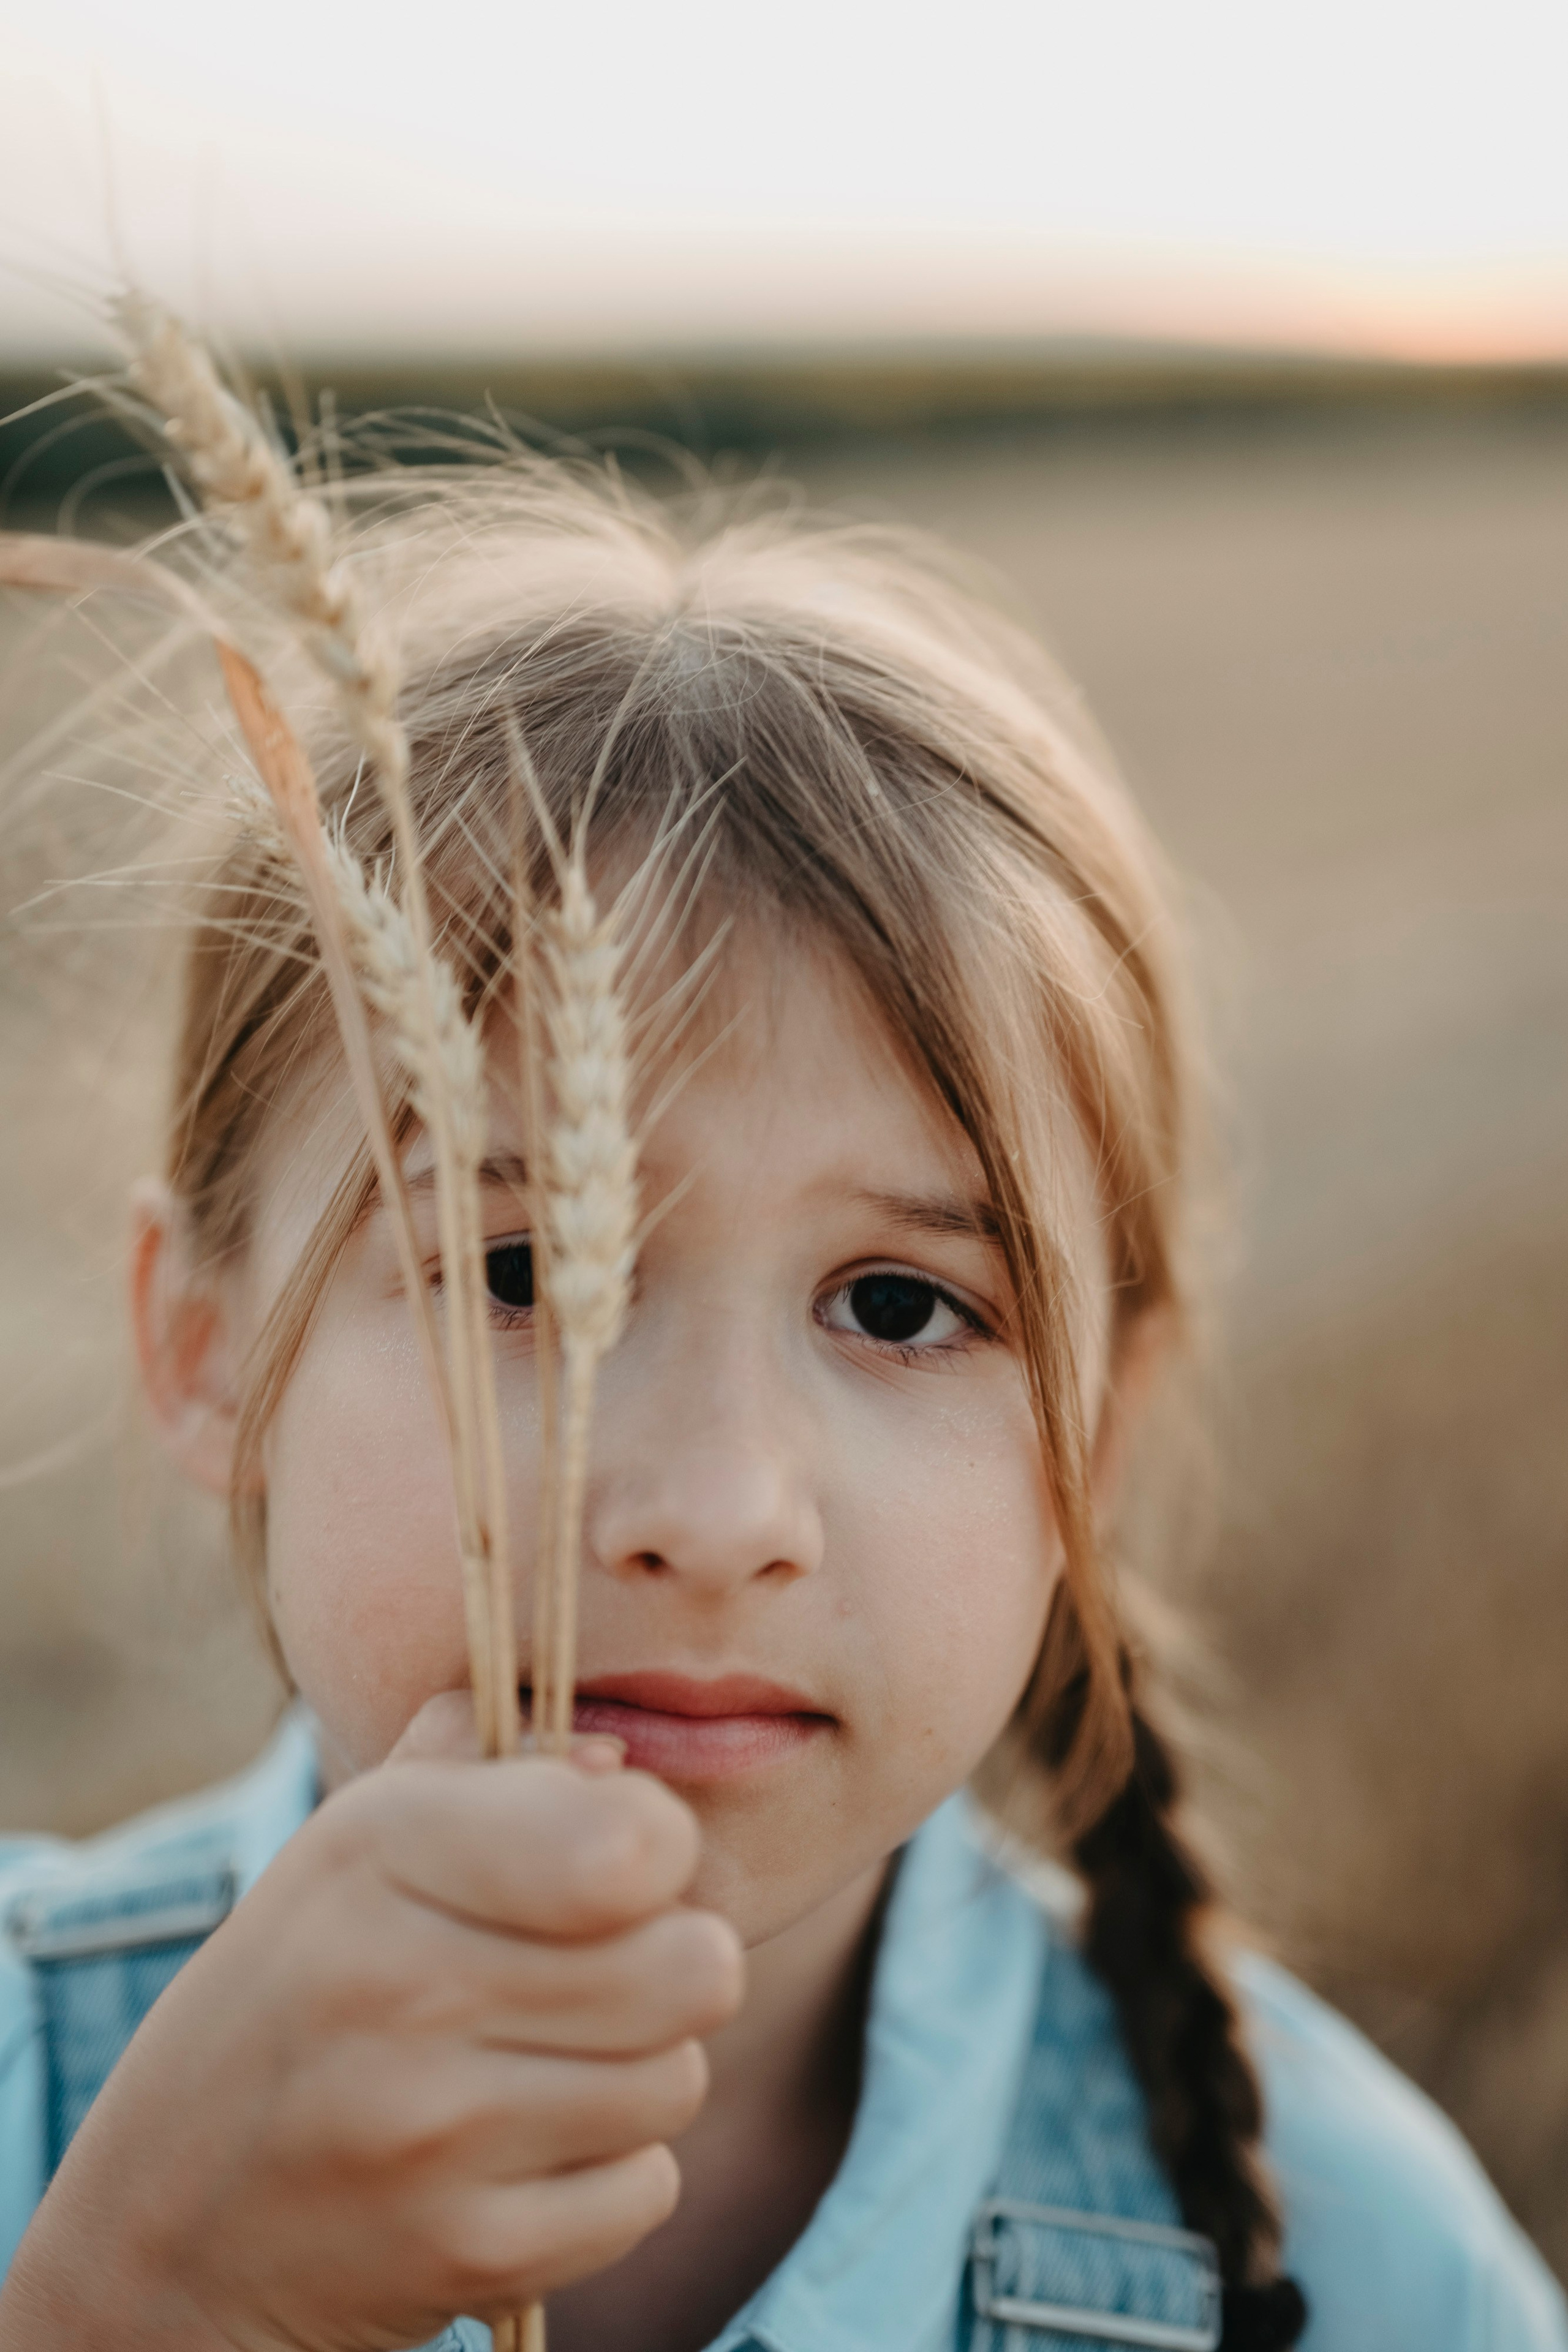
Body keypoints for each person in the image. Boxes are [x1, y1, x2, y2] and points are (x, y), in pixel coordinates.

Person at [0, 455, 1561, 2352]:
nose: (720, 1504)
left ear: (1103, 1434)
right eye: (518, 1273)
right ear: (204, 1347)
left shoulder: (1372, 2276)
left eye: (902, 1306)